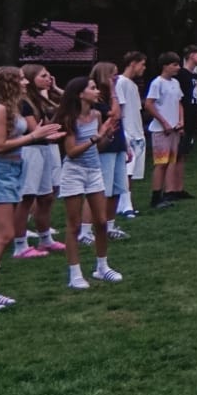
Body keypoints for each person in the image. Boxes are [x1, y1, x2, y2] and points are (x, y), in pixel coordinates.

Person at [0, 66, 67, 310]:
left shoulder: (11, 107)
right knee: (3, 235)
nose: (25, 82)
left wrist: (44, 135)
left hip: (13, 169)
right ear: (9, 82)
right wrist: (35, 136)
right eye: (21, 79)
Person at [55, 76, 125, 289]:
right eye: (92, 88)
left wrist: (107, 137)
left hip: (94, 171)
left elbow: (98, 147)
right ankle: (75, 274)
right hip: (73, 172)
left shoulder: (96, 115)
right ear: (80, 94)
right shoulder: (69, 118)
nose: (97, 91)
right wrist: (96, 137)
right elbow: (71, 152)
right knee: (74, 225)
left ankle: (102, 267)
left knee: (101, 222)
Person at [16, 65, 64, 257]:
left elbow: (52, 122)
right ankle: (20, 245)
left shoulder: (39, 99)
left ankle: (46, 239)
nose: (48, 79)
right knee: (27, 198)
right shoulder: (23, 102)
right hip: (30, 151)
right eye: (43, 76)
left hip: (43, 148)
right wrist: (47, 133)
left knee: (46, 196)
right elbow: (34, 130)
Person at [84, 62, 130, 244]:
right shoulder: (97, 100)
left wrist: (126, 146)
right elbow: (115, 115)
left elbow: (120, 121)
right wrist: (113, 91)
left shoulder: (109, 97)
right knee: (99, 190)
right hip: (104, 148)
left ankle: (109, 226)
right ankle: (85, 230)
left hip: (117, 144)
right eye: (113, 75)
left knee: (117, 189)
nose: (116, 78)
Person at [144, 53, 183, 210]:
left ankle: (163, 195)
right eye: (174, 65)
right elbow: (149, 104)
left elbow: (179, 103)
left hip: (174, 129)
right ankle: (155, 197)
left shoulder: (175, 82)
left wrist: (181, 121)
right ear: (165, 66)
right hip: (161, 130)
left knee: (169, 162)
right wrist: (164, 122)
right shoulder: (157, 83)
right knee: (161, 163)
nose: (178, 68)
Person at [113, 52, 146, 219]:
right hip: (128, 133)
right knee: (126, 171)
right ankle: (125, 205)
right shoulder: (120, 82)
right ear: (133, 63)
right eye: (142, 64)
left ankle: (124, 203)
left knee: (131, 172)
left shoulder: (132, 85)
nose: (144, 68)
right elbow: (120, 110)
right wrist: (124, 133)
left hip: (137, 132)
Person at [172, 46, 197, 200]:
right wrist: (180, 119)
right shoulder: (181, 75)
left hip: (192, 117)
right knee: (176, 154)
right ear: (191, 56)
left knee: (183, 154)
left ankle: (179, 188)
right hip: (182, 118)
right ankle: (171, 189)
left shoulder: (195, 76)